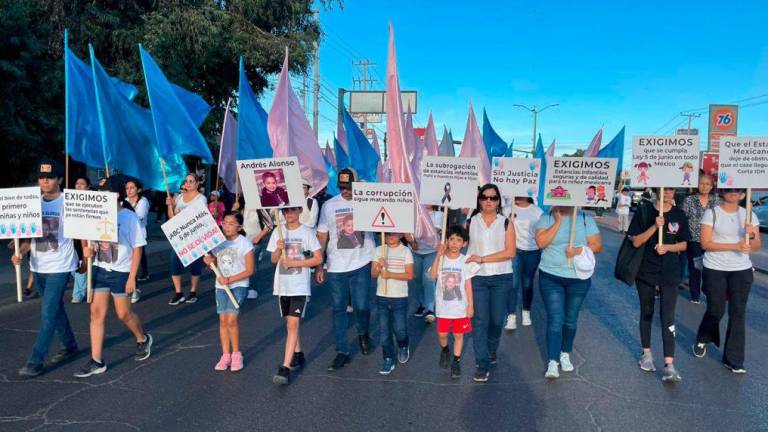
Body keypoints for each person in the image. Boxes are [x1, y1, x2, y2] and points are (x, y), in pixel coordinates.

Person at [74, 176, 153, 378]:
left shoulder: (129, 217)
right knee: (96, 314)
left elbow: (137, 249)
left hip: (122, 271)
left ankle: (142, 338)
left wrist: (132, 277)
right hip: (100, 269)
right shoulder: (95, 215)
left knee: (123, 314)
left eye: (106, 193)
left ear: (116, 195)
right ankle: (97, 360)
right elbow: (86, 236)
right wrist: (86, 250)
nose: (101, 196)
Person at [13, 160, 80, 377]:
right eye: (41, 177)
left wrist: (87, 253)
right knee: (55, 308)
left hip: (61, 266)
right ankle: (70, 345)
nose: (45, 181)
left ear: (59, 179)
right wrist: (20, 253)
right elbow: (27, 238)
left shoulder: (70, 202)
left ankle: (35, 360)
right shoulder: (33, 203)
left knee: (48, 313)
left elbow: (87, 230)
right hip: (38, 266)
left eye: (50, 177)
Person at [693, 188, 761, 374]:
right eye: (730, 189)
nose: (734, 193)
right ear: (723, 192)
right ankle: (703, 337)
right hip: (715, 267)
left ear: (743, 194)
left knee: (738, 313)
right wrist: (735, 245)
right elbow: (705, 243)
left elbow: (756, 246)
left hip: (741, 269)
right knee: (716, 309)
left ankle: (734, 360)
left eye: (738, 190)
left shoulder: (749, 215)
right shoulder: (712, 213)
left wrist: (752, 234)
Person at [315, 168, 376, 371]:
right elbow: (322, 235)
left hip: (362, 262)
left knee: (362, 306)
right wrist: (319, 263)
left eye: (349, 187)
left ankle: (363, 332)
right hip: (336, 265)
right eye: (342, 187)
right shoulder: (329, 206)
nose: (346, 191)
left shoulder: (367, 201)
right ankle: (342, 350)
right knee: (339, 309)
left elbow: (384, 219)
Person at [627, 188, 690, 383]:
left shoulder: (679, 214)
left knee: (668, 316)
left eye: (672, 189)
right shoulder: (644, 210)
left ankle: (669, 364)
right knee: (647, 312)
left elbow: (684, 244)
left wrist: (668, 247)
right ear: (657, 190)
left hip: (670, 272)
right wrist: (655, 227)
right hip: (646, 270)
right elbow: (636, 241)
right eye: (666, 188)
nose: (669, 192)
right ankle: (646, 354)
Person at [535, 206, 602, 379]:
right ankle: (552, 360)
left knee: (570, 320)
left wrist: (579, 250)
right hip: (551, 276)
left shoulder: (585, 218)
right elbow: (541, 242)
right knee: (555, 319)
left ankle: (565, 353)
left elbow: (597, 245)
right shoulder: (547, 217)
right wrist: (558, 222)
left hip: (578, 279)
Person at [465, 184, 516, 383]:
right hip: (477, 277)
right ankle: (482, 363)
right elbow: (462, 244)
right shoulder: (471, 221)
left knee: (496, 320)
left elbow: (510, 252)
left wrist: (483, 258)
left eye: (493, 198)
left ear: (498, 201)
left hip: (501, 278)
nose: (488, 201)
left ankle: (491, 349)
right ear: (479, 199)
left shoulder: (506, 223)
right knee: (479, 320)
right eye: (484, 197)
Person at [267, 207, 322, 384]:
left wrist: (296, 262)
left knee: (292, 323)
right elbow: (274, 260)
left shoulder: (307, 232)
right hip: (283, 285)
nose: (288, 214)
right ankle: (298, 353)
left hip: (299, 285)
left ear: (299, 211)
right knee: (290, 323)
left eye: (292, 211)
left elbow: (317, 258)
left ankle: (285, 367)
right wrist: (278, 249)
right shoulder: (278, 231)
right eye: (285, 211)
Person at [203, 212, 254, 372]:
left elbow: (250, 270)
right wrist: (209, 262)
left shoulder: (245, 243)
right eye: (225, 223)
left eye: (231, 223)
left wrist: (230, 280)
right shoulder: (218, 242)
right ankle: (225, 355)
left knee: (232, 319)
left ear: (239, 226)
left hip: (238, 285)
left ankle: (237, 354)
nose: (227, 226)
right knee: (223, 320)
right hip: (221, 286)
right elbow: (214, 265)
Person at [429, 225, 474, 379]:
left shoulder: (465, 261)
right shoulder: (441, 259)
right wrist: (438, 255)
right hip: (443, 307)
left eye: (459, 240)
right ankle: (445, 349)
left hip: (460, 308)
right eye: (452, 239)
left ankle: (456, 361)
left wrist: (470, 306)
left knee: (458, 335)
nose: (455, 243)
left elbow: (468, 285)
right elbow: (433, 275)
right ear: (446, 241)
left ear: (464, 243)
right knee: (442, 334)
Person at [372, 232, 414, 375]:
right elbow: (373, 274)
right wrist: (378, 266)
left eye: (394, 234)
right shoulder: (379, 250)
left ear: (401, 234)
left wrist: (390, 274)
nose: (390, 236)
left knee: (400, 329)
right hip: (382, 296)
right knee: (385, 332)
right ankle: (388, 358)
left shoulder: (406, 251)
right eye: (388, 234)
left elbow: (409, 275)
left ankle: (403, 344)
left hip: (399, 297)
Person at [165, 173, 207, 305]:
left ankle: (193, 291)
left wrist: (180, 215)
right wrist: (169, 205)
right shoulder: (179, 197)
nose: (188, 183)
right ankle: (178, 293)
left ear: (197, 183)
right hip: (179, 236)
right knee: (174, 263)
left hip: (194, 235)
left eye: (191, 181)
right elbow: (171, 217)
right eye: (186, 181)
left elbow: (197, 216)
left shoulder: (202, 199)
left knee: (195, 265)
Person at [504, 197, 543, 330]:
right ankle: (511, 315)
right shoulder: (507, 210)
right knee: (513, 283)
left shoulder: (537, 212)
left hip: (533, 251)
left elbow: (541, 233)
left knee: (527, 283)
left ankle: (526, 311)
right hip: (514, 251)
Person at [681, 174, 718, 304]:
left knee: (711, 268)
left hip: (712, 240)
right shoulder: (689, 200)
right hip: (694, 240)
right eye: (702, 183)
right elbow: (683, 219)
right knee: (695, 268)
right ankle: (695, 294)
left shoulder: (716, 200)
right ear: (697, 185)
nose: (704, 186)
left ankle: (707, 289)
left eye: (708, 184)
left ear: (712, 186)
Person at [408, 207, 443, 323]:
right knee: (417, 279)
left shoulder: (438, 214)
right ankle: (422, 304)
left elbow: (432, 232)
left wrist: (416, 235)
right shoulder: (412, 213)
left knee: (428, 279)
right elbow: (407, 230)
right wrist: (412, 241)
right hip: (415, 252)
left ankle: (430, 308)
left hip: (431, 252)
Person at [124, 178, 150, 303]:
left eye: (132, 188)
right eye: (127, 188)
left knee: (134, 263)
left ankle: (136, 289)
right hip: (125, 236)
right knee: (127, 263)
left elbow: (138, 217)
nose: (129, 190)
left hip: (139, 236)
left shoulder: (143, 201)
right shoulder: (124, 201)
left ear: (138, 190)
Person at [70, 176, 91, 303]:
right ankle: (87, 282)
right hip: (72, 240)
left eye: (82, 184)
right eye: (77, 183)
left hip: (88, 238)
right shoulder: (69, 201)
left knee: (82, 266)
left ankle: (78, 294)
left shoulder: (94, 202)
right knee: (74, 268)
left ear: (88, 187)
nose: (78, 186)